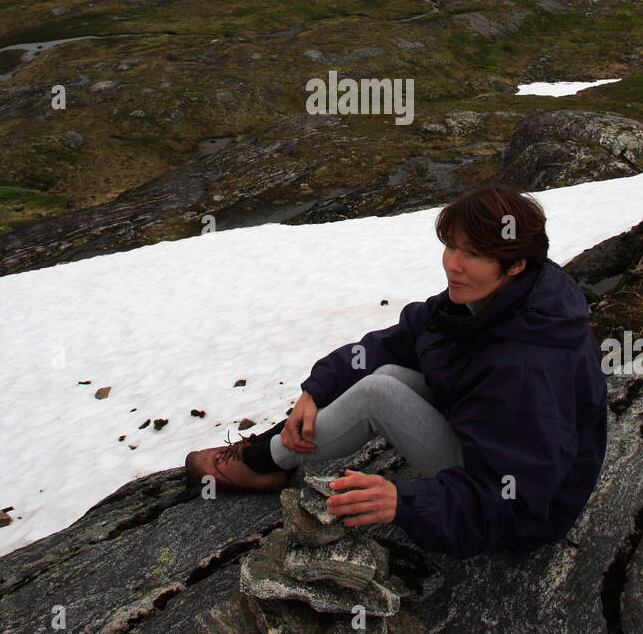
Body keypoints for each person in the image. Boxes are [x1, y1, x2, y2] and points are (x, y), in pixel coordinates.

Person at [185, 183, 608, 559]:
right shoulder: (500, 297)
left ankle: (266, 462)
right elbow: (403, 338)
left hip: (520, 508)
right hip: (483, 437)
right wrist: (317, 389)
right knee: (386, 374)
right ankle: (275, 452)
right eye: (451, 246)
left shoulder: (528, 364)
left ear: (515, 263)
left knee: (380, 393)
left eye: (473, 253)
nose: (452, 264)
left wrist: (404, 501)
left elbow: (519, 498)